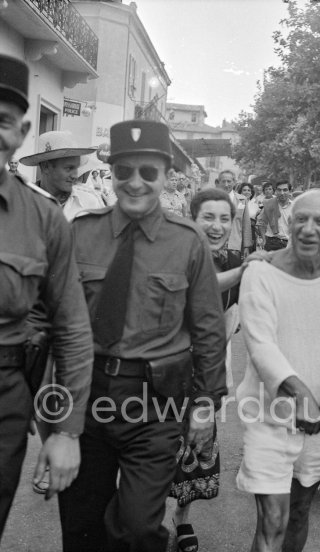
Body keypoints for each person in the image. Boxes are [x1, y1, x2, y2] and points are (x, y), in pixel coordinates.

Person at [57, 119, 227, 552]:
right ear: (110, 174)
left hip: (154, 406)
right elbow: (59, 324)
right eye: (123, 171)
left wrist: (205, 406)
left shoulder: (188, 242)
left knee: (136, 528)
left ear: (166, 177)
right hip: (88, 397)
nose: (135, 183)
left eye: (147, 173)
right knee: (81, 526)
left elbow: (209, 332)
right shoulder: (81, 233)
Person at [236, 189, 320, 552]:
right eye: (300, 219)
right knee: (273, 519)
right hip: (268, 412)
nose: (308, 229)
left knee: (298, 512)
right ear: (288, 223)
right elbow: (261, 344)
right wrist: (300, 394)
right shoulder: (260, 272)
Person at [0, 55, 94, 540]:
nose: (72, 174)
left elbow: (74, 326)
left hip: (13, 375)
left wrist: (68, 431)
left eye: (2, 120)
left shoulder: (45, 218)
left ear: (20, 131)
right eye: (63, 167)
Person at [170, 188, 265, 552]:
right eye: (208, 217)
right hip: (161, 375)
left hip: (206, 377)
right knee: (150, 452)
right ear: (190, 218)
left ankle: (181, 519)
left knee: (195, 450)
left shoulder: (230, 263)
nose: (217, 225)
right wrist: (245, 270)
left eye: (225, 218)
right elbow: (198, 288)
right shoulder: (173, 257)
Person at [19, 131, 104, 221]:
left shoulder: (90, 203)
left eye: (76, 168)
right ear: (45, 166)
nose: (75, 175)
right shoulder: (21, 204)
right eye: (68, 168)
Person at [215, 170, 252, 259]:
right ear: (219, 182)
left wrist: (246, 246)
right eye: (223, 181)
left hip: (234, 246)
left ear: (234, 182)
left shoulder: (242, 200)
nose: (226, 184)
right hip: (216, 245)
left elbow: (246, 224)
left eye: (229, 181)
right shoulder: (213, 198)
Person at [256, 180, 293, 251]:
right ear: (276, 191)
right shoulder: (269, 204)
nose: (282, 193)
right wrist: (264, 240)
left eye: (285, 190)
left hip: (289, 245)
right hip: (271, 243)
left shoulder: (294, 207)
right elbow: (260, 223)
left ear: (290, 191)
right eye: (279, 190)